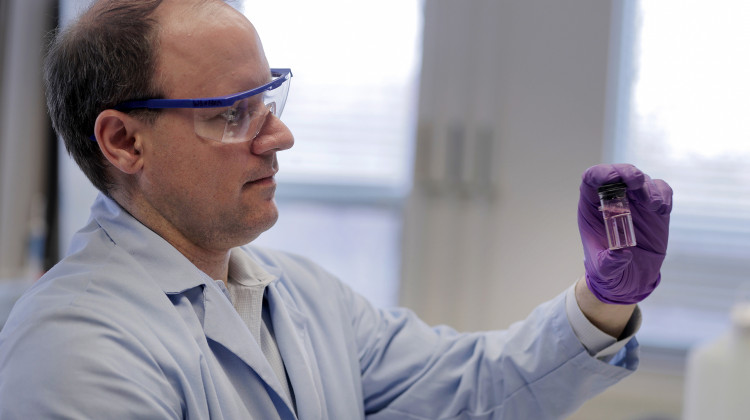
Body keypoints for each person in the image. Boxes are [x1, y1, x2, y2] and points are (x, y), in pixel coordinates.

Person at [0, 0, 673, 418]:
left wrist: (603, 299)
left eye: (269, 99)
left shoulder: (296, 294)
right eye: (233, 113)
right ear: (124, 141)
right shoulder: (75, 345)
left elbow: (470, 392)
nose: (279, 136)